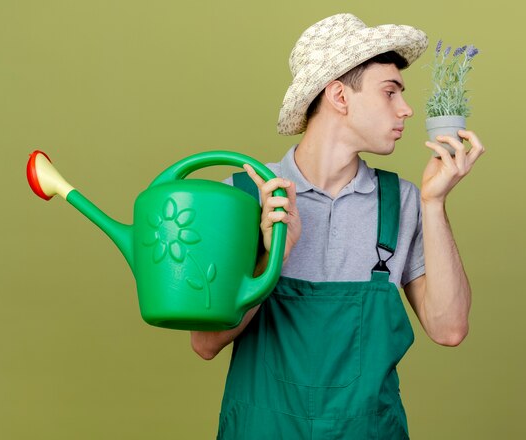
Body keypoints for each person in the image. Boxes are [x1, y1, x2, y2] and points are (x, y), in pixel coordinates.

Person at [191, 13, 485, 439]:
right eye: (390, 93)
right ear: (339, 96)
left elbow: (449, 328)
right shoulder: (245, 195)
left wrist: (434, 203)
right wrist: (273, 258)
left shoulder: (401, 202)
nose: (406, 109)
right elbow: (205, 343)